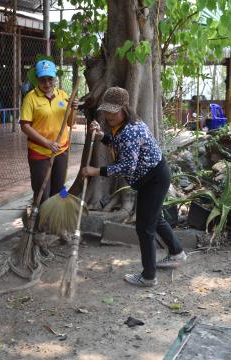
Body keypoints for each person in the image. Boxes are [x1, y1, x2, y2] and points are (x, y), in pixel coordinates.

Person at [81, 87, 187, 287]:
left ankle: (148, 277)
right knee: (155, 219)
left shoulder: (130, 130)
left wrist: (96, 171)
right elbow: (115, 142)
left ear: (124, 108)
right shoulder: (121, 126)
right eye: (106, 110)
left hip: (154, 179)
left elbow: (126, 166)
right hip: (151, 177)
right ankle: (177, 252)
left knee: (144, 228)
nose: (109, 115)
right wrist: (100, 135)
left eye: (114, 111)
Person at [20, 59, 78, 205]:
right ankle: (40, 222)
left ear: (54, 79)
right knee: (42, 191)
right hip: (39, 152)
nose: (46, 84)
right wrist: (47, 143)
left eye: (50, 79)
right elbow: (25, 126)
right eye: (42, 80)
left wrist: (73, 108)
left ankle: (54, 222)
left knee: (59, 189)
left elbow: (71, 123)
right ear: (37, 80)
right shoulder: (30, 98)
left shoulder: (63, 95)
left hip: (61, 149)